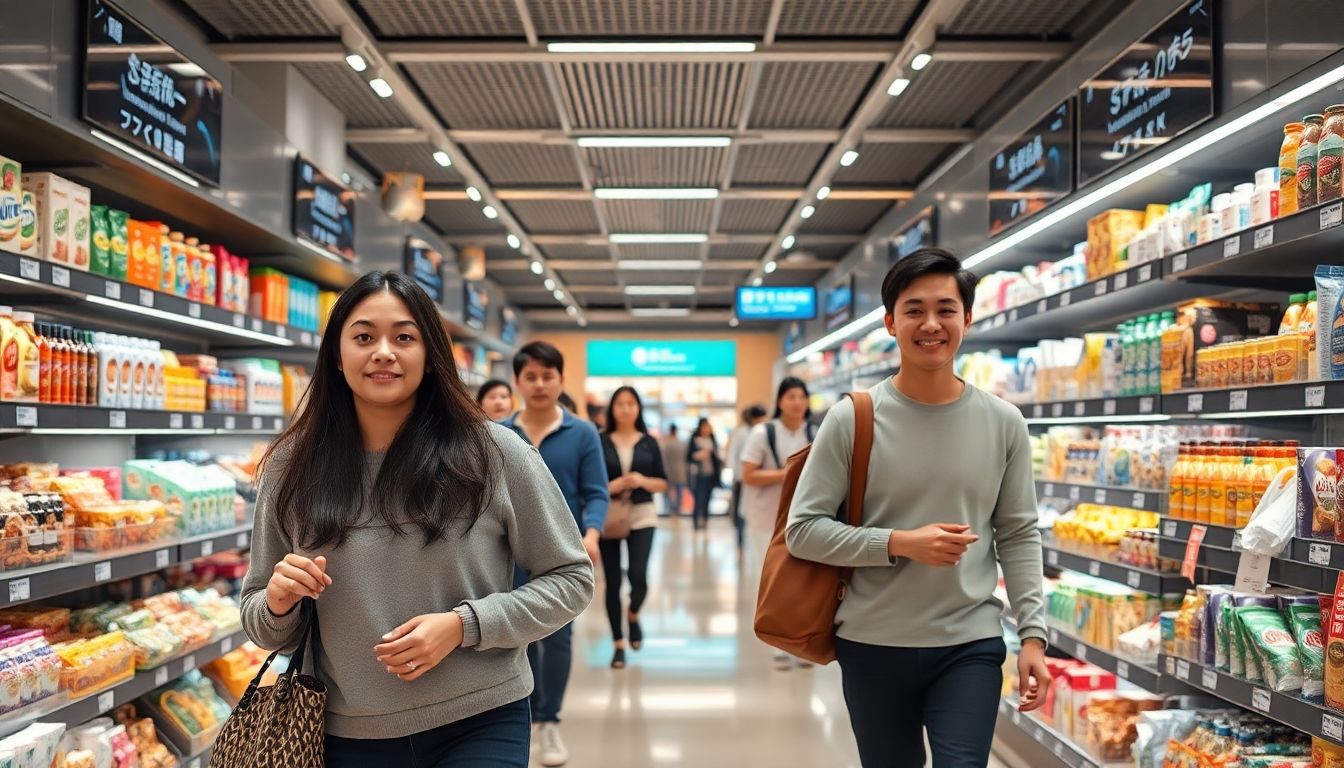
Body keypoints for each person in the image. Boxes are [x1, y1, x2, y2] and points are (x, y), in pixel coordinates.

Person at [239, 272, 593, 768]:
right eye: (364, 337)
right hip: (344, 731)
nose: (383, 352)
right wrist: (278, 603)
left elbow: (572, 578)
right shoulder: (290, 467)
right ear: (337, 357)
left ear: (430, 358)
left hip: (481, 717)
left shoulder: (494, 454)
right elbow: (261, 621)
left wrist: (464, 625)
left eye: (404, 337)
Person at [785, 248, 1050, 768]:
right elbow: (803, 531)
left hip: (969, 642)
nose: (931, 324)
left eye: (946, 309)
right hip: (873, 642)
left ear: (968, 319)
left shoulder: (1004, 422)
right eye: (914, 310)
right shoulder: (851, 419)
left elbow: (1018, 534)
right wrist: (899, 543)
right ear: (890, 322)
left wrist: (1034, 635)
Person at [501, 341, 609, 768]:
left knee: (558, 636)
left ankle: (549, 722)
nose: (540, 384)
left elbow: (596, 491)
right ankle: (525, 716)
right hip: (507, 554)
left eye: (548, 376)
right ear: (518, 382)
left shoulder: (582, 434)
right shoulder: (500, 433)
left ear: (561, 380)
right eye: (531, 376)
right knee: (514, 634)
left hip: (561, 553)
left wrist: (593, 534)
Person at [740, 378, 816, 670]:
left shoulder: (815, 432)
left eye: (801, 396)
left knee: (802, 581)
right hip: (764, 519)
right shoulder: (763, 433)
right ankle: (777, 644)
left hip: (804, 519)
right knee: (772, 581)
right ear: (780, 401)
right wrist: (787, 474)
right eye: (790, 396)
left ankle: (799, 643)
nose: (797, 402)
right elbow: (748, 474)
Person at [599, 386, 668, 670]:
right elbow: (589, 482)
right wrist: (611, 486)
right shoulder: (599, 440)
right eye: (620, 404)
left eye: (631, 404)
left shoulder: (649, 442)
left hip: (642, 513)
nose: (626, 409)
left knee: (639, 576)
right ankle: (617, 643)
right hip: (609, 515)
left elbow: (663, 482)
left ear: (639, 408)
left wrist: (642, 481)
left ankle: (633, 614)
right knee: (612, 581)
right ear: (612, 409)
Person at [725, 404, 768, 553]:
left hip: (759, 480)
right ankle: (740, 544)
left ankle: (748, 543)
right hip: (742, 479)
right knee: (741, 514)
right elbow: (733, 455)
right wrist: (739, 476)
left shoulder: (764, 432)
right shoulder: (742, 433)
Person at [686, 418, 722, 531]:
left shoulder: (712, 440)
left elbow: (717, 457)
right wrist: (699, 455)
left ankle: (705, 521)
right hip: (698, 475)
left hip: (710, 474)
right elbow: (689, 457)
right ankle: (696, 523)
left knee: (707, 499)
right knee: (698, 499)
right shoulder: (694, 440)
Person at [659, 423, 689, 517]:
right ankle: (677, 510)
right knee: (679, 492)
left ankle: (669, 509)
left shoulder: (665, 444)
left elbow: (662, 459)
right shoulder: (682, 444)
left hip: (667, 470)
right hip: (680, 471)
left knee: (667, 492)